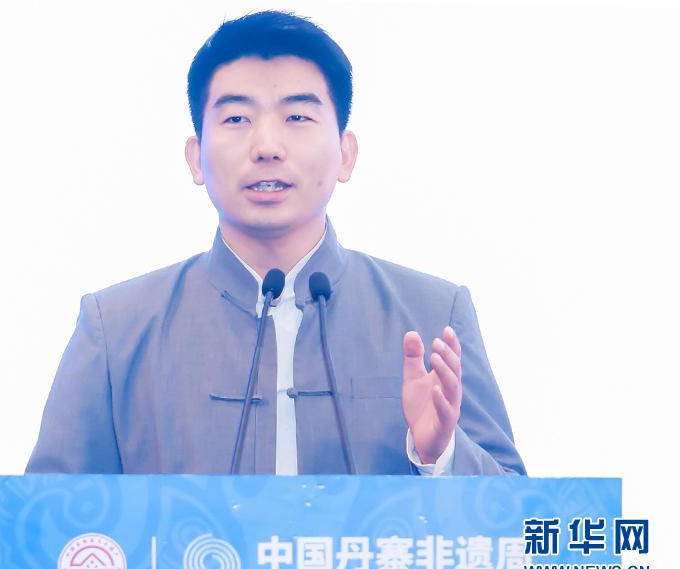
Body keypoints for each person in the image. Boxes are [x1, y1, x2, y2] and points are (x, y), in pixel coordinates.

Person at [26, 10, 525, 476]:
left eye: (298, 117)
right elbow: (45, 519)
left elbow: (523, 519)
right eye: (236, 119)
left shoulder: (432, 315)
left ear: (346, 153)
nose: (267, 146)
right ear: (196, 158)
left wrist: (442, 456)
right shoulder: (116, 330)